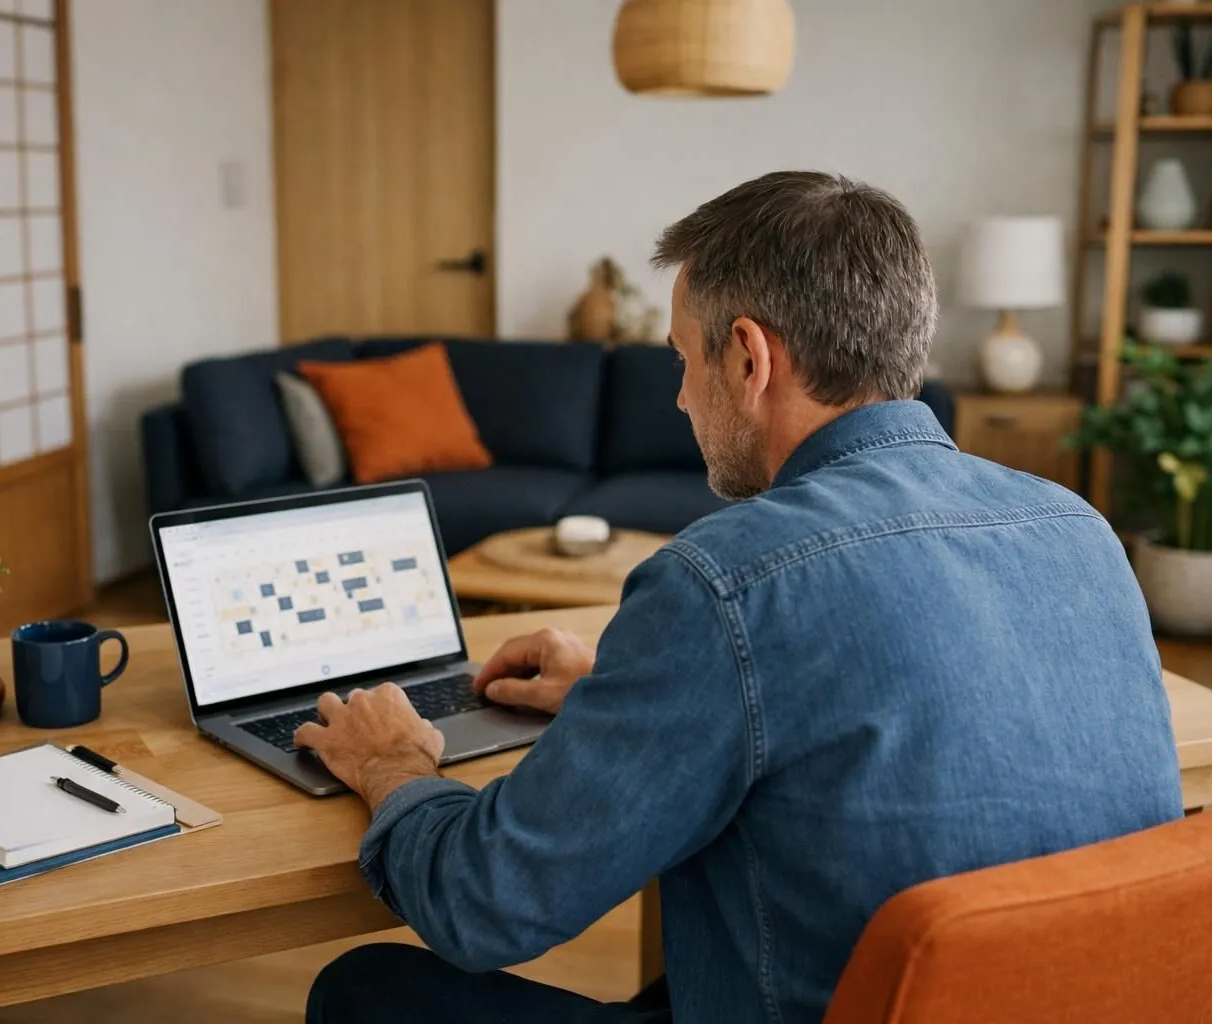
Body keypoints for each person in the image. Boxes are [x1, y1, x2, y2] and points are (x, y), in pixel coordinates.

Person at [294, 171, 1183, 1024]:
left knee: (365, 987)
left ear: (750, 356)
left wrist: (392, 764)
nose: (680, 397)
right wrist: (639, 691)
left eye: (683, 359)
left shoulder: (726, 579)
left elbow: (485, 906)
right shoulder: (1078, 528)